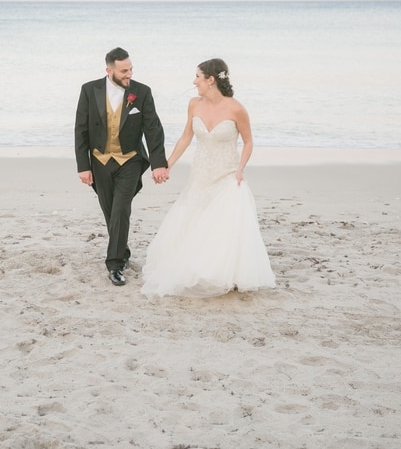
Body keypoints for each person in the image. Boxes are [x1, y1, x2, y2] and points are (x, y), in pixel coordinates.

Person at [141, 58, 276, 298]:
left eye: (198, 77)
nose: (194, 82)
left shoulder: (236, 108)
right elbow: (185, 137)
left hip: (227, 174)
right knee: (195, 221)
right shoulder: (194, 104)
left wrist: (241, 169)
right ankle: (195, 269)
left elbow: (248, 141)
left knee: (224, 225)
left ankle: (227, 274)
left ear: (211, 80)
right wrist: (166, 166)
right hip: (201, 174)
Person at [75, 47, 169, 286]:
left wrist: (159, 164)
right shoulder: (89, 90)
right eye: (124, 70)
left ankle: (115, 264)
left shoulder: (142, 92)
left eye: (130, 69)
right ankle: (123, 251)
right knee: (110, 213)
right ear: (109, 70)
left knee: (120, 210)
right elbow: (81, 130)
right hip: (99, 162)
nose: (129, 74)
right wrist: (83, 166)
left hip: (130, 161)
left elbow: (153, 129)